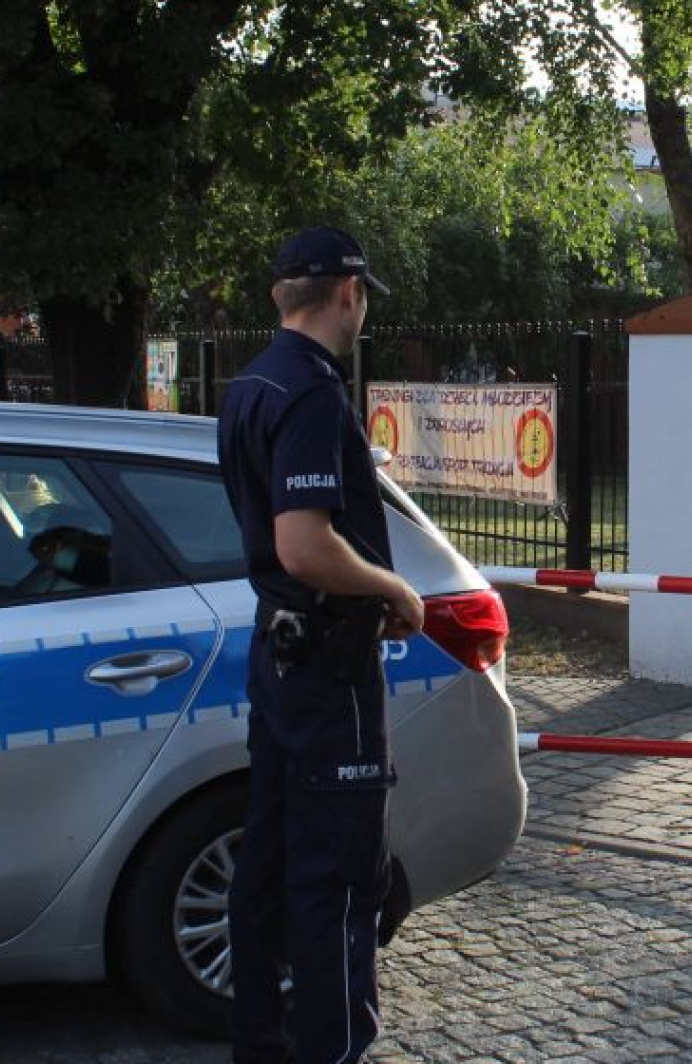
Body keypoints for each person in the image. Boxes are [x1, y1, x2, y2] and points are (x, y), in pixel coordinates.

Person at [219, 226, 421, 1064]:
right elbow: (305, 546)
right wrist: (392, 588)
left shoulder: (250, 385)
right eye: (364, 295)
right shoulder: (308, 391)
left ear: (279, 296)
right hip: (330, 669)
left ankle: (260, 1045)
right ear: (348, 293)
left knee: (265, 865)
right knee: (338, 882)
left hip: (278, 656)